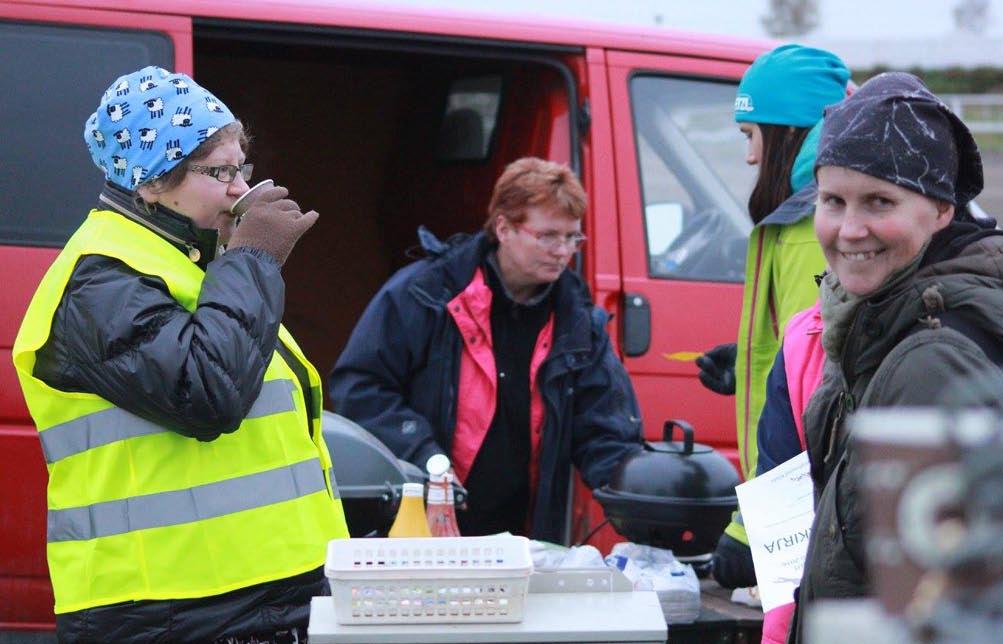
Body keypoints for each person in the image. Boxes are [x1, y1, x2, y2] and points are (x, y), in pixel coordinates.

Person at [11, 66, 350, 643]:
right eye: (219, 170)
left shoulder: (187, 264)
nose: (239, 187)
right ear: (149, 181)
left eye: (241, 166)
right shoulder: (100, 280)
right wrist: (254, 258)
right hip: (170, 612)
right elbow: (207, 392)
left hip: (254, 597)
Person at [788, 71, 1003, 643]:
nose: (849, 230)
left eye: (879, 201)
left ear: (939, 210)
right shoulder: (875, 320)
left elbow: (945, 618)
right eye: (833, 201)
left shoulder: (931, 359)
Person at [330, 157, 643, 541]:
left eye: (572, 237)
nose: (563, 251)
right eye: (548, 236)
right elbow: (359, 386)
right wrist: (426, 456)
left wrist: (642, 496)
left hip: (527, 538)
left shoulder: (578, 321)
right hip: (424, 529)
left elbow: (604, 434)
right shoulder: (426, 293)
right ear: (504, 228)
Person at [700, 43, 850, 585]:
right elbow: (801, 348)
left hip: (802, 525)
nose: (749, 156)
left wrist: (751, 532)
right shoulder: (802, 216)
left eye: (750, 135)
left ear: (787, 132)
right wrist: (747, 361)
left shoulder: (815, 225)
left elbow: (817, 390)